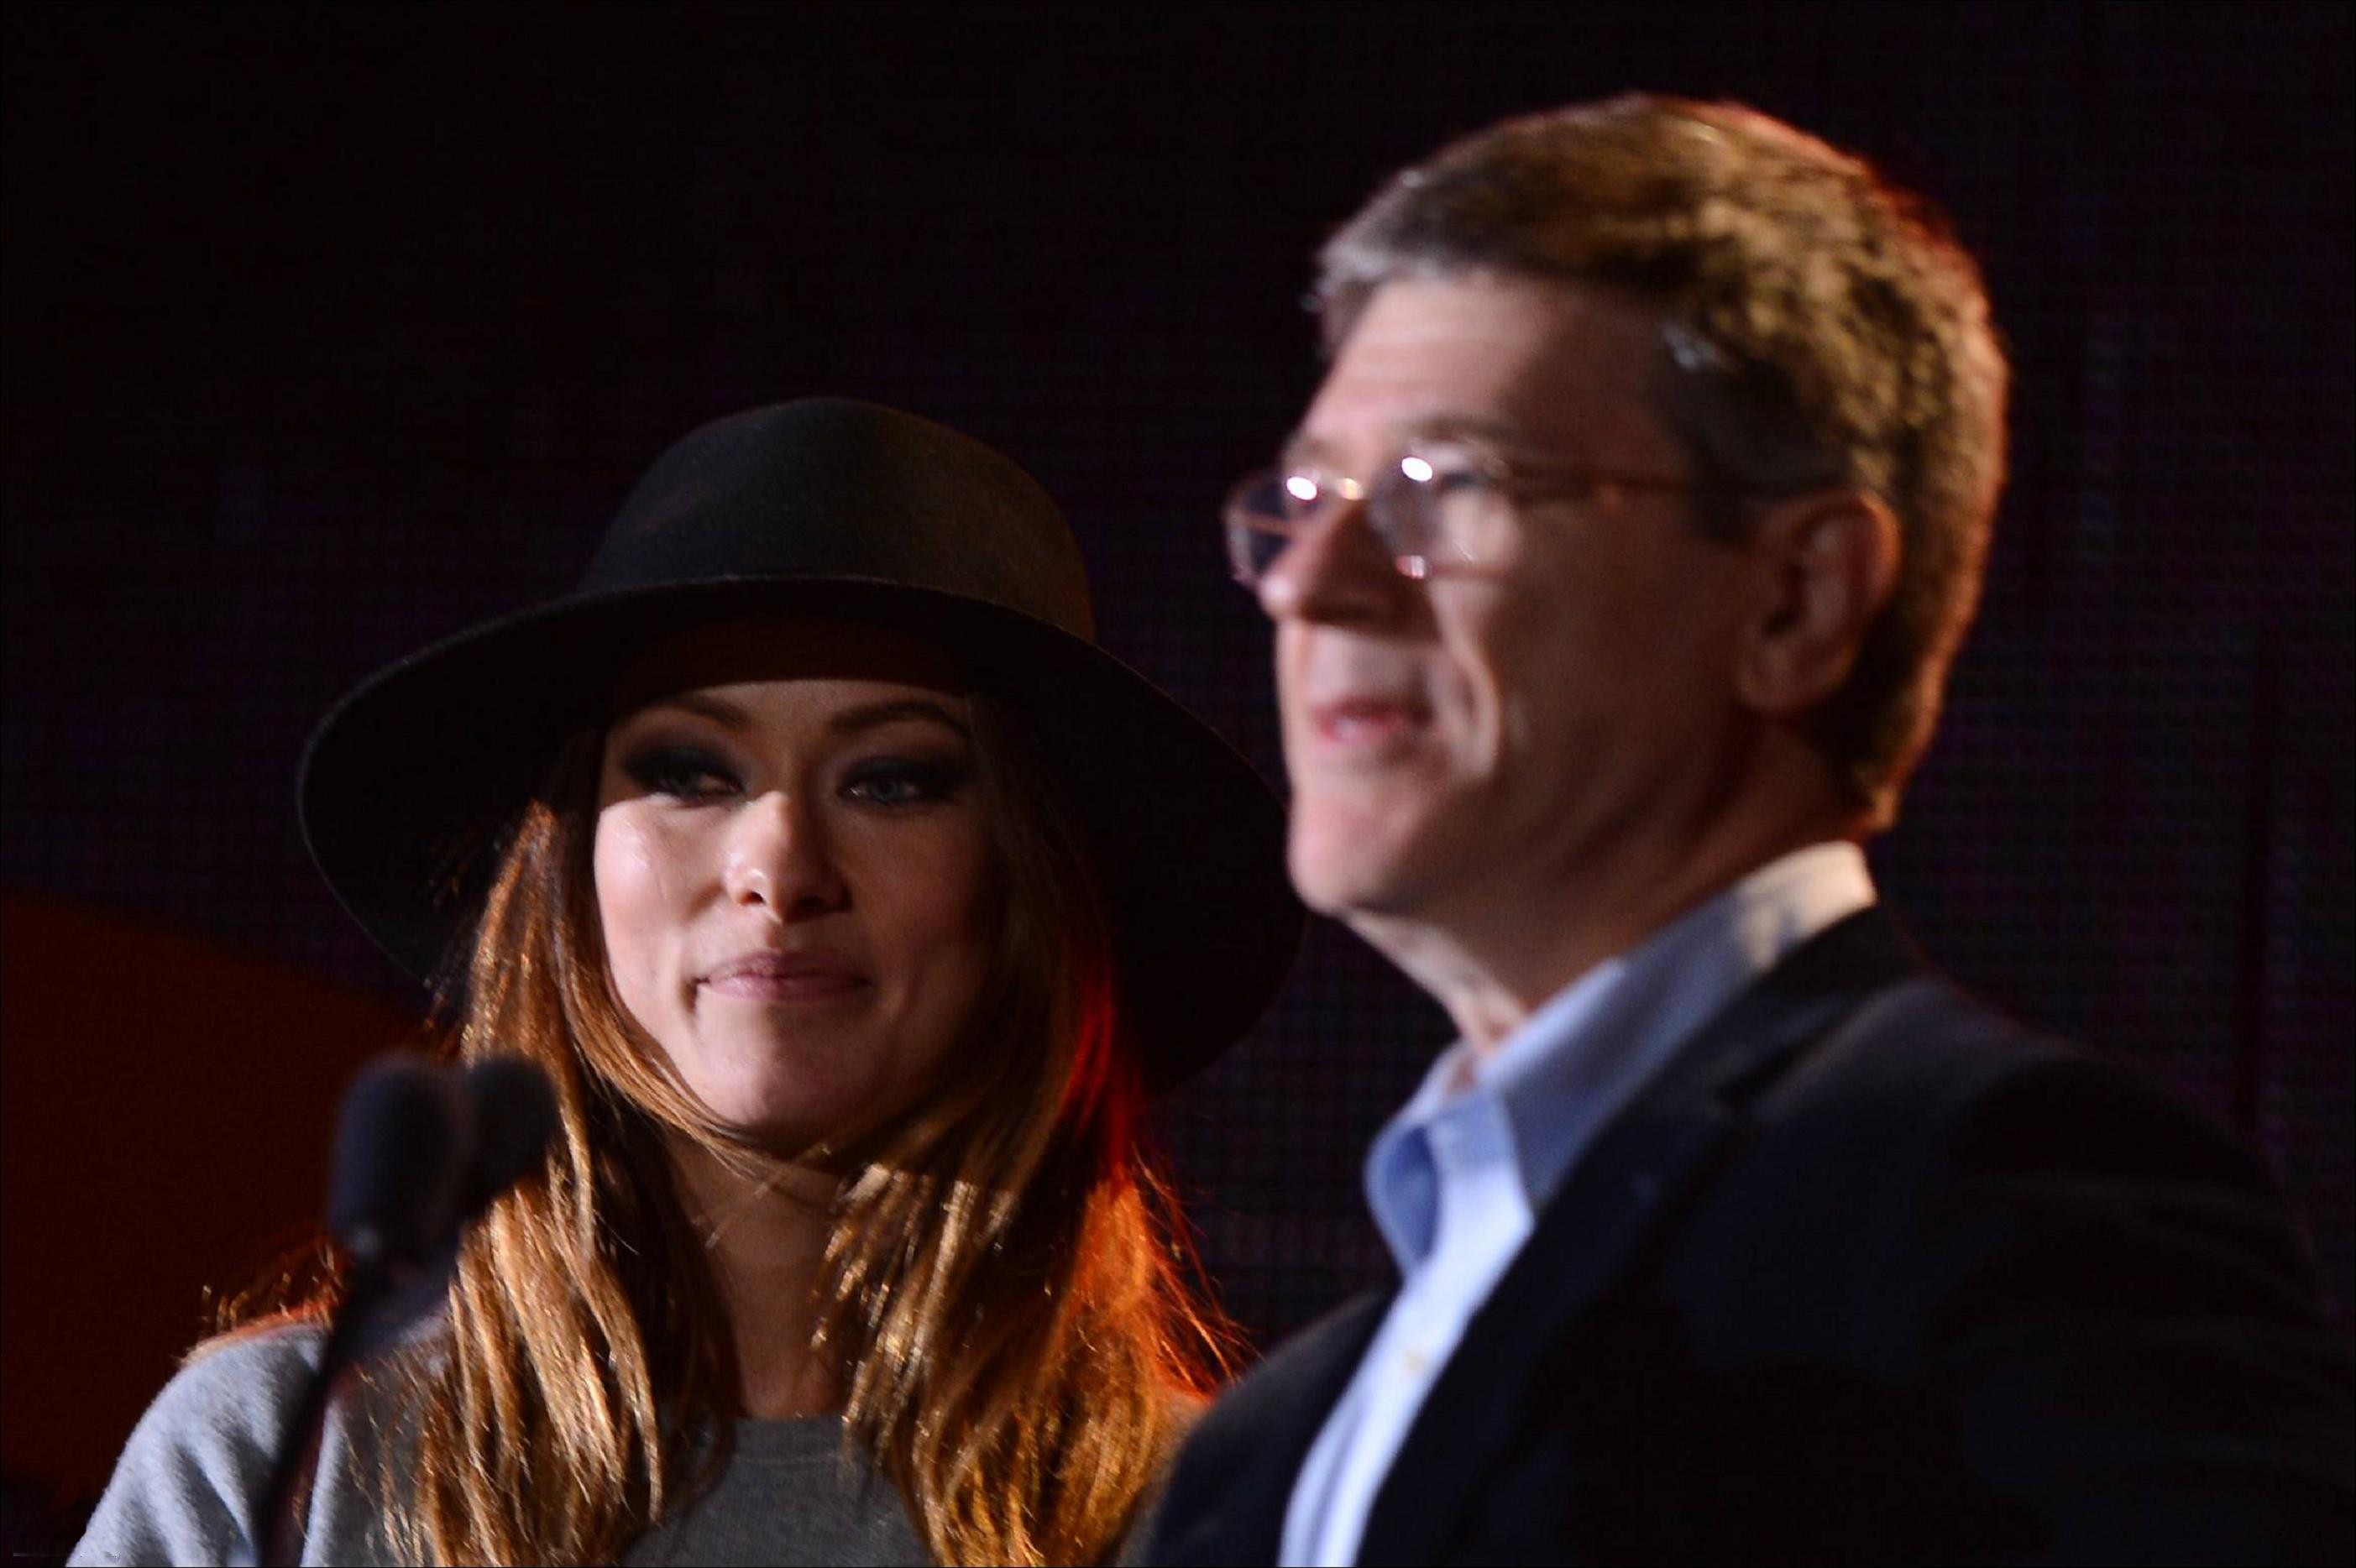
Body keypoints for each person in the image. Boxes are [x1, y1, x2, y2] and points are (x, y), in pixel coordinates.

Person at [1147, 95, 2353, 1565]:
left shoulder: (1991, 1201)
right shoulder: (1273, 1445)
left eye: (1442, 487)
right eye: (1305, 498)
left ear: (1795, 601)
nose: (1311, 585)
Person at [70, 398, 1302, 1566]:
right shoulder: (280, 1458)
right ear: (571, 876)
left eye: (892, 780)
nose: (779, 866)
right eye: (688, 772)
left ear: (1027, 889)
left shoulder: (1222, 1516)